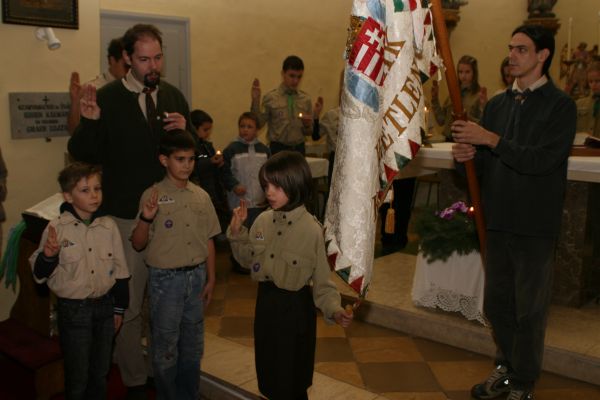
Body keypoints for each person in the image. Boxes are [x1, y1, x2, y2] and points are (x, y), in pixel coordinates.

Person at [451, 24, 576, 400]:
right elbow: (485, 168)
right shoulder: (498, 105)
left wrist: (489, 139)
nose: (512, 55)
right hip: (498, 220)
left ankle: (524, 382)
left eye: (522, 49)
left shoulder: (560, 106)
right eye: (511, 48)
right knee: (497, 304)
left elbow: (542, 161)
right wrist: (465, 159)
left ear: (543, 56)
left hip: (535, 224)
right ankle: (506, 367)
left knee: (529, 310)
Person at [68, 23, 193, 397]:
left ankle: (161, 370)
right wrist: (89, 122)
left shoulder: (172, 94)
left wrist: (189, 132)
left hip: (169, 213)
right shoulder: (108, 97)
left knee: (165, 303)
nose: (152, 65)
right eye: (143, 59)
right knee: (130, 302)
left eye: (158, 57)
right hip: (125, 216)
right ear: (126, 59)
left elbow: (190, 156)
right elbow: (84, 155)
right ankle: (136, 380)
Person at [227, 151, 353, 400]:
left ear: (295, 184)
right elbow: (247, 260)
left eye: (276, 186)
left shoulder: (312, 231)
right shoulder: (262, 221)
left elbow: (323, 284)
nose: (269, 192)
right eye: (266, 186)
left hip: (295, 312)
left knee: (292, 381)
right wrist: (237, 232)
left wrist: (335, 310)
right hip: (265, 308)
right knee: (269, 376)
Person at [30, 162, 130, 400]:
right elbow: (40, 274)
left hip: (105, 308)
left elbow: (121, 271)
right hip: (74, 311)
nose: (94, 195)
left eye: (97, 188)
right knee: (78, 375)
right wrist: (49, 256)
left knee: (100, 371)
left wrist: (119, 308)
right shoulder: (57, 228)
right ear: (68, 195)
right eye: (85, 190)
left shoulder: (108, 226)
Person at [131, 130, 218, 400]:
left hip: (196, 276)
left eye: (191, 159)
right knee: (166, 346)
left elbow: (209, 240)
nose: (187, 165)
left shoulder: (201, 196)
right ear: (163, 160)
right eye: (180, 159)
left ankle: (188, 394)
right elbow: (137, 243)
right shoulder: (152, 194)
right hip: (166, 281)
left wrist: (211, 279)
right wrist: (146, 219)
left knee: (192, 346)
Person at [251, 55, 319, 155]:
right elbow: (258, 124)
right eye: (292, 76)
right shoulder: (271, 98)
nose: (295, 81)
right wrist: (255, 100)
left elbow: (309, 132)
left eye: (299, 77)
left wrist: (307, 126)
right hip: (278, 149)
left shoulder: (305, 99)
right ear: (283, 73)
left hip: (299, 149)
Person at [67, 37, 129, 134]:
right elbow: (74, 132)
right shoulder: (92, 89)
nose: (130, 71)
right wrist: (75, 102)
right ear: (113, 60)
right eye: (126, 66)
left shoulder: (138, 88)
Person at [222, 112, 270, 230]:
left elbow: (269, 174)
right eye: (242, 126)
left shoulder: (264, 150)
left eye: (249, 127)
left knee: (259, 232)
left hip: (259, 202)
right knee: (240, 233)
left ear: (257, 130)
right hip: (239, 202)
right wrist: (234, 185)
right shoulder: (231, 149)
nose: (245, 130)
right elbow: (224, 173)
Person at [431, 55, 487, 141]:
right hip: (448, 139)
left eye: (467, 72)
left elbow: (482, 125)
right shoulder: (453, 93)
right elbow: (441, 120)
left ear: (474, 73)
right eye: (460, 72)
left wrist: (484, 106)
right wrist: (435, 99)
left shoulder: (478, 95)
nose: (463, 76)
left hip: (467, 141)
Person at [190, 109, 229, 231]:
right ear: (194, 128)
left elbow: (213, 163)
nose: (207, 133)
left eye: (209, 130)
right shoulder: (190, 146)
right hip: (200, 187)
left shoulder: (207, 145)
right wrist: (209, 162)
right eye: (205, 130)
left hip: (214, 189)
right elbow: (193, 166)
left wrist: (219, 162)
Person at [575, 62, 600, 138]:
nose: (593, 85)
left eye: (598, 81)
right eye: (590, 81)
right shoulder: (579, 104)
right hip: (583, 148)